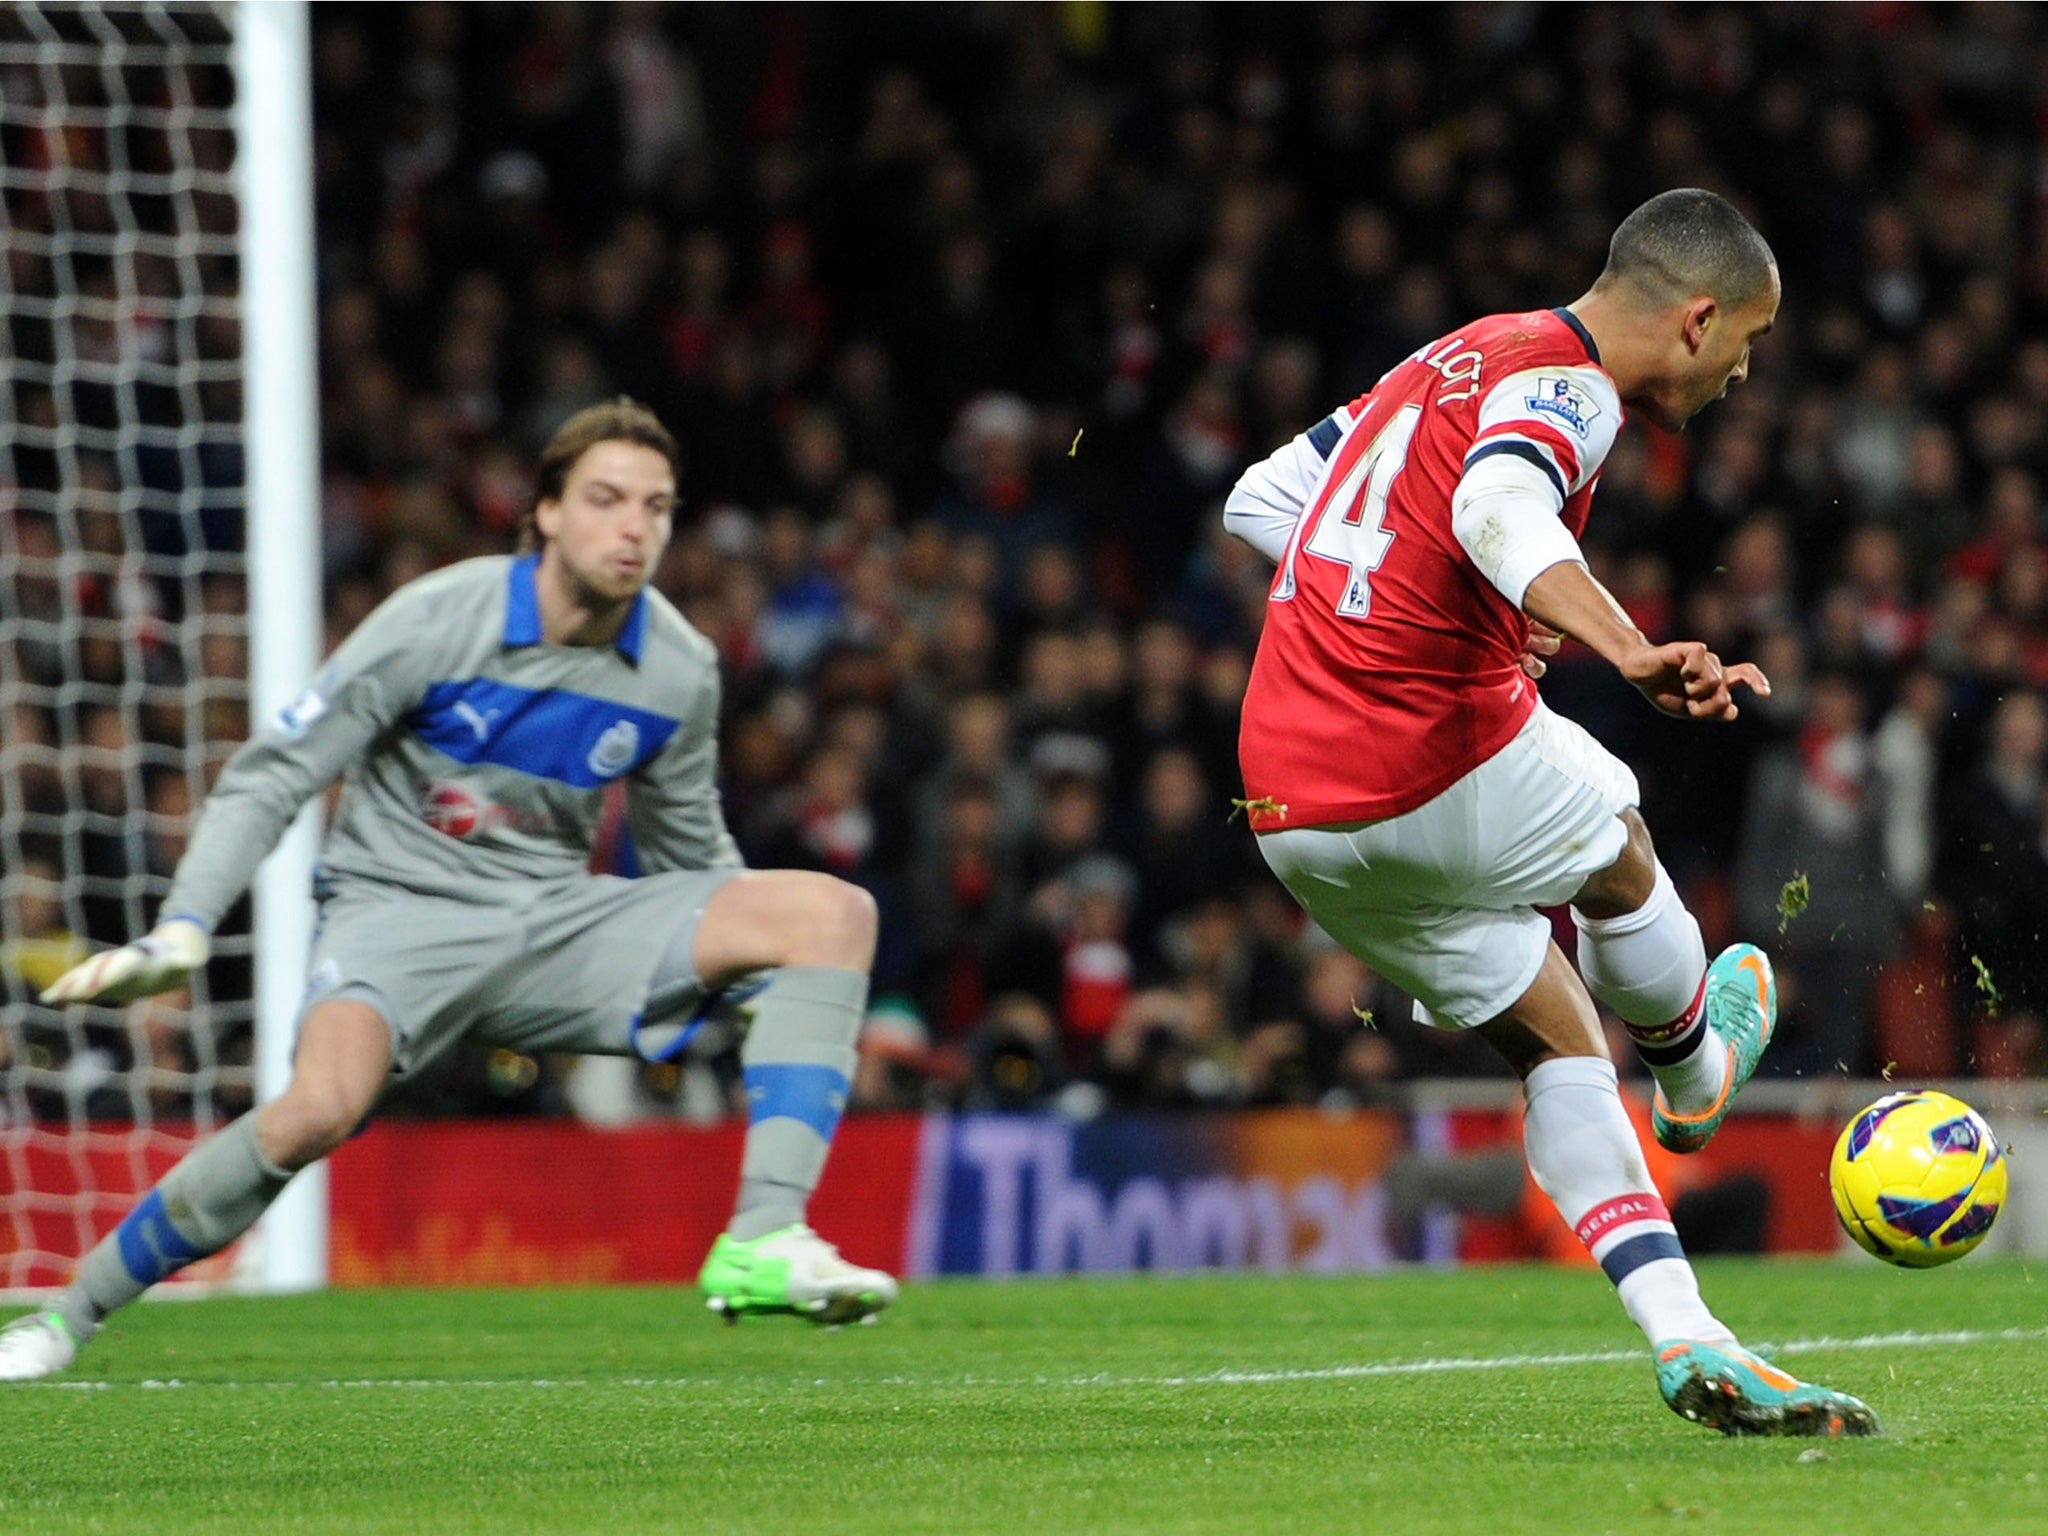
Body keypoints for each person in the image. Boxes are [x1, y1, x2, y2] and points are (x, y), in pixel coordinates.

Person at [0, 399, 895, 1382]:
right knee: (314, 1113)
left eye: (656, 506)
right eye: (604, 499)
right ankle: (67, 1315)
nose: (633, 526)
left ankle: (763, 1237)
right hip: (397, 917)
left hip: (557, 921)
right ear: (546, 512)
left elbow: (693, 853)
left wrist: (771, 977)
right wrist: (184, 927)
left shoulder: (676, 667)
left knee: (829, 914)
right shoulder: (438, 619)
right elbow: (276, 770)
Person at [1225, 189, 1875, 1437]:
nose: (1743, 372)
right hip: (1420, 748)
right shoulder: (1568, 387)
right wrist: (1623, 647)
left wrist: (1414, 597)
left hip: (1287, 802)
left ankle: (1692, 1341)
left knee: (1560, 1043)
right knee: (1619, 845)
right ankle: (1695, 1063)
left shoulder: (1450, 355)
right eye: (1746, 339)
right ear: (1694, 321)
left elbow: (1259, 497)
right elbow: (1494, 509)